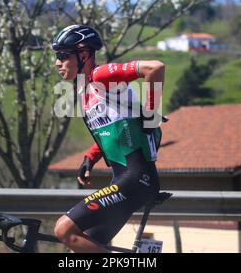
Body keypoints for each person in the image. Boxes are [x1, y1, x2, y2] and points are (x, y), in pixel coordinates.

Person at [52, 25, 165, 253]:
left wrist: (151, 114)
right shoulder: (86, 92)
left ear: (83, 55)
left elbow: (155, 68)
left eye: (63, 55)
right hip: (124, 181)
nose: (57, 62)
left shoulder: (100, 76)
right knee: (82, 248)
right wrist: (91, 157)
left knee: (64, 229)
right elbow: (114, 130)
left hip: (135, 180)